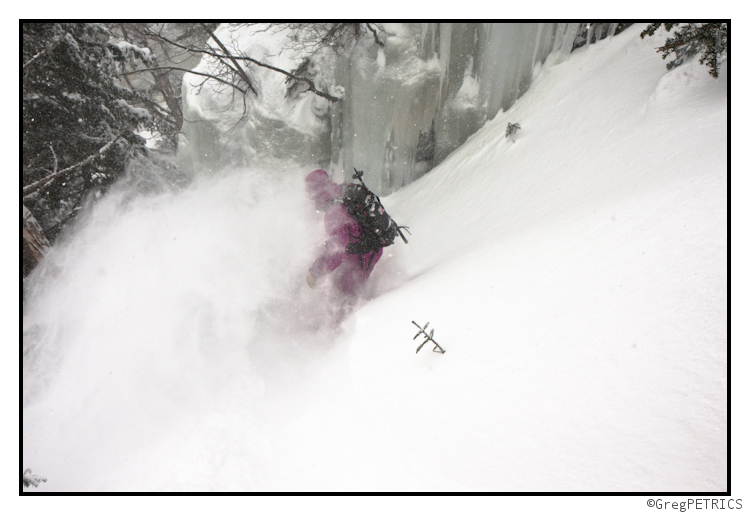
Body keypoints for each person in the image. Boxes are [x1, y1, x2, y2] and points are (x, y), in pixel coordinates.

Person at [304, 169, 383, 298]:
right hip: (370, 246)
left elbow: (337, 252)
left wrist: (314, 272)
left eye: (309, 191)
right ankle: (365, 301)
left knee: (344, 294)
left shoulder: (334, 213)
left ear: (316, 191)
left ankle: (360, 312)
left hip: (362, 255)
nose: (308, 196)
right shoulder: (343, 190)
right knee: (346, 288)